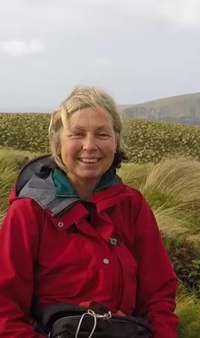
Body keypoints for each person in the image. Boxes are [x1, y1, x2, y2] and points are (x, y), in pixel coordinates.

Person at [0, 87, 179, 337]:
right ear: (58, 142)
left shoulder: (132, 206)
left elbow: (158, 298)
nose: (90, 145)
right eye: (77, 134)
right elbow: (4, 310)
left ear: (116, 142)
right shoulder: (29, 211)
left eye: (102, 134)